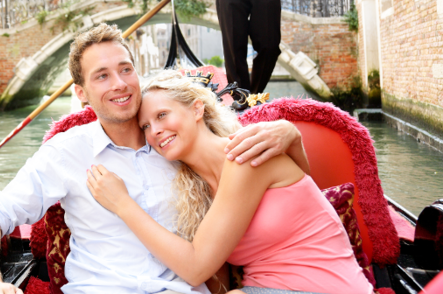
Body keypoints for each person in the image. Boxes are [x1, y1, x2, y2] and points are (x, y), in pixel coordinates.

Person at [0, 23, 310, 294]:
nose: (119, 84)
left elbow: (290, 192)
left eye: (125, 69)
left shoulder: (178, 142)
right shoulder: (66, 151)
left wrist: (290, 135)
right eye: (102, 76)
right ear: (82, 94)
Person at [86, 70, 374, 294]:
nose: (156, 131)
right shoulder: (196, 190)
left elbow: (196, 266)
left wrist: (122, 205)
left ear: (197, 110)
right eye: (146, 126)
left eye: (162, 115)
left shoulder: (245, 155)